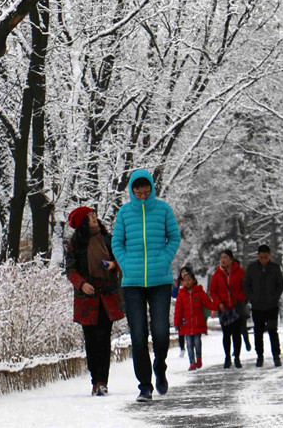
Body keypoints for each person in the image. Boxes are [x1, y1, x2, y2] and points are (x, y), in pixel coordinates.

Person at [111, 169, 181, 403]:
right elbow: (116, 242)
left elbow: (174, 237)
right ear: (131, 189)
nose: (142, 192)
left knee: (161, 332)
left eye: (145, 187)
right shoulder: (124, 212)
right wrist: (126, 265)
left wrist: (163, 259)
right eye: (137, 188)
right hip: (132, 283)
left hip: (160, 280)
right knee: (139, 335)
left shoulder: (162, 209)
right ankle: (145, 385)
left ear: (151, 187)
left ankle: (159, 366)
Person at [64, 205, 124, 396]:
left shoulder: (108, 239)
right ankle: (95, 380)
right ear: (83, 222)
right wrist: (81, 284)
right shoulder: (75, 244)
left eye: (94, 215)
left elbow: (120, 261)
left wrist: (113, 265)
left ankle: (102, 381)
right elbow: (70, 270)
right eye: (90, 217)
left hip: (106, 295)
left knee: (104, 339)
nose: (94, 218)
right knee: (90, 341)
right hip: (86, 298)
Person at [243, 244, 283, 368]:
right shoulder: (251, 268)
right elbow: (246, 285)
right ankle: (259, 356)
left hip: (271, 306)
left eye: (266, 257)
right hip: (257, 306)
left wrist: (275, 297)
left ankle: (276, 356)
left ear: (269, 256)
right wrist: (252, 298)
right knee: (258, 332)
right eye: (261, 257)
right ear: (258, 256)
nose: (263, 260)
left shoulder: (275, 268)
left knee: (273, 331)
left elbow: (280, 285)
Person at [173, 265, 217, 370]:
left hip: (197, 323)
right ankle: (191, 363)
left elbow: (208, 303)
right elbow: (178, 310)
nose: (187, 282)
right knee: (188, 344)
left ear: (193, 281)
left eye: (189, 280)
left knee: (197, 343)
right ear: (183, 282)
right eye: (185, 280)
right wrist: (177, 322)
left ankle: (199, 358)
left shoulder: (199, 292)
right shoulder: (181, 295)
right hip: (186, 324)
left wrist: (217, 306)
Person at [209, 249, 247, 368]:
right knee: (226, 334)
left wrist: (240, 299)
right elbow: (213, 291)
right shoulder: (217, 274)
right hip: (224, 309)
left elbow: (245, 287)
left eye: (225, 257)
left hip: (236, 308)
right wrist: (219, 303)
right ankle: (227, 357)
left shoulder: (240, 272)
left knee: (236, 333)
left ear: (231, 259)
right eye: (221, 258)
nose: (223, 260)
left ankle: (237, 357)